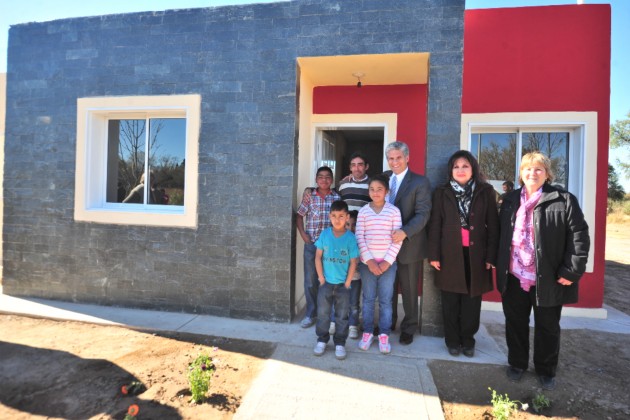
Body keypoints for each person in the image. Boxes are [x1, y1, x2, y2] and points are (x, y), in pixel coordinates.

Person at [497, 152, 590, 390]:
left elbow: (579, 236)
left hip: (547, 277)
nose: (532, 173)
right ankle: (517, 364)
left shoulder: (564, 199)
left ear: (547, 174)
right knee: (515, 323)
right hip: (514, 274)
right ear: (521, 174)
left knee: (547, 326)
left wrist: (571, 270)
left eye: (538, 169)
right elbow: (499, 235)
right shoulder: (509, 200)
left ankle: (545, 370)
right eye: (527, 169)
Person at [428, 150, 499, 357]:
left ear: (473, 169)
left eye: (465, 166)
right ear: (451, 170)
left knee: (472, 300)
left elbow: (493, 226)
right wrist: (434, 254)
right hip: (449, 254)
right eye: (456, 166)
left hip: (477, 255)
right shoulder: (441, 192)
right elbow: (435, 225)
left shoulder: (485, 191)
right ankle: (452, 340)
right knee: (450, 300)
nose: (460, 170)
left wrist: (491, 256)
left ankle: (468, 340)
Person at [384, 141, 432, 345]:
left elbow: (423, 214)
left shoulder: (420, 182)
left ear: (407, 158)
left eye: (398, 158)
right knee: (388, 289)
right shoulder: (384, 178)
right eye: (391, 158)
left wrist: (404, 232)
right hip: (385, 246)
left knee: (410, 289)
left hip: (408, 244)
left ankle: (409, 327)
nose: (394, 162)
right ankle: (389, 322)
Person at [356, 174, 403, 354]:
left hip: (388, 265)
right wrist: (369, 261)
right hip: (367, 264)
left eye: (379, 189)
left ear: (387, 192)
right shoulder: (363, 212)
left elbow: (397, 239)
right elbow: (359, 237)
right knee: (367, 299)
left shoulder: (393, 211)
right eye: (372, 189)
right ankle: (367, 332)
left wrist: (387, 262)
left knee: (385, 300)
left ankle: (384, 334)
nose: (375, 193)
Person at [313, 200, 359, 360]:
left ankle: (340, 343)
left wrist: (347, 283)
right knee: (323, 314)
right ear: (329, 216)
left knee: (341, 316)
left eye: (341, 216)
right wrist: (321, 278)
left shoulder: (350, 238)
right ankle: (322, 340)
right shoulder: (325, 234)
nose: (337, 219)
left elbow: (353, 261)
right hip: (326, 284)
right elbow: (318, 256)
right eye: (334, 216)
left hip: (342, 286)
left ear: (347, 217)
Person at [296, 166, 341, 328]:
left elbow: (340, 220)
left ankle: (330, 315)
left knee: (331, 280)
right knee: (310, 281)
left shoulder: (337, 197)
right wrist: (303, 234)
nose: (324, 180)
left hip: (330, 247)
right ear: (316, 179)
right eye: (321, 177)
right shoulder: (310, 196)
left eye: (328, 177)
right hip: (312, 245)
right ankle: (311, 313)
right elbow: (300, 216)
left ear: (332, 180)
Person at [337, 152, 372, 338]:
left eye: (360, 164)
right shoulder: (343, 184)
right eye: (353, 164)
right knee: (342, 277)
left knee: (358, 277)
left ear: (366, 166)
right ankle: (339, 318)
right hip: (345, 235)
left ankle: (354, 321)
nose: (357, 168)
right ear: (350, 167)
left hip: (364, 235)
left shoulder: (372, 185)